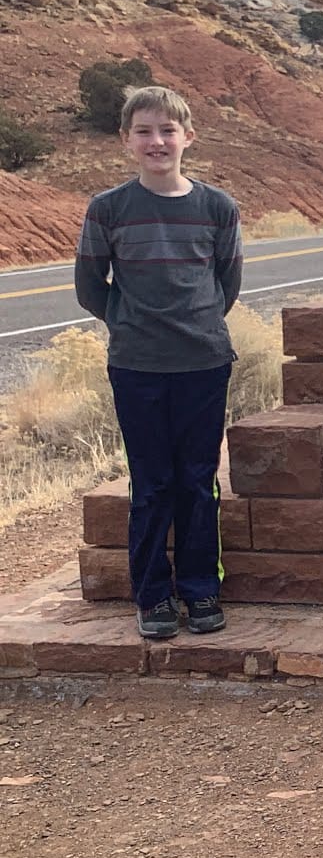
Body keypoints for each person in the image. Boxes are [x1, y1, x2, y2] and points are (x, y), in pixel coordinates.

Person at [74, 86, 242, 639]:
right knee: (151, 483)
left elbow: (227, 283)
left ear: (188, 137)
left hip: (203, 364)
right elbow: (89, 287)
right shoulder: (108, 209)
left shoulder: (217, 208)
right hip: (137, 367)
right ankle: (152, 597)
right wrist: (129, 325)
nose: (157, 141)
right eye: (144, 131)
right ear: (126, 140)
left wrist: (197, 326)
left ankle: (200, 590)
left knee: (197, 481)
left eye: (168, 130)